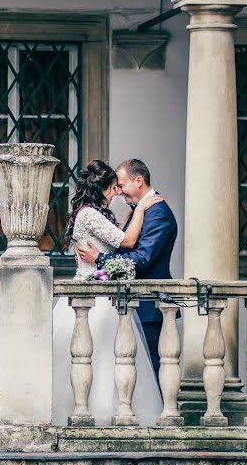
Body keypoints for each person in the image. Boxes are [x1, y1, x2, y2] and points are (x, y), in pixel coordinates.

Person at [52, 160, 164, 426]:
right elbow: (128, 241)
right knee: (96, 358)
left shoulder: (98, 214)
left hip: (102, 291)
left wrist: (125, 221)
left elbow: (108, 256)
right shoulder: (88, 215)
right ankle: (94, 414)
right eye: (113, 188)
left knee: (109, 361)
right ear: (100, 189)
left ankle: (108, 413)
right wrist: (141, 208)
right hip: (94, 300)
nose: (116, 193)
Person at [76, 159, 178, 376]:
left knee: (151, 372)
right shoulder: (137, 212)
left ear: (138, 180)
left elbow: (141, 260)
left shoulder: (157, 213)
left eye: (121, 185)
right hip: (131, 305)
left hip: (148, 308)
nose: (119, 192)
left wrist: (99, 259)